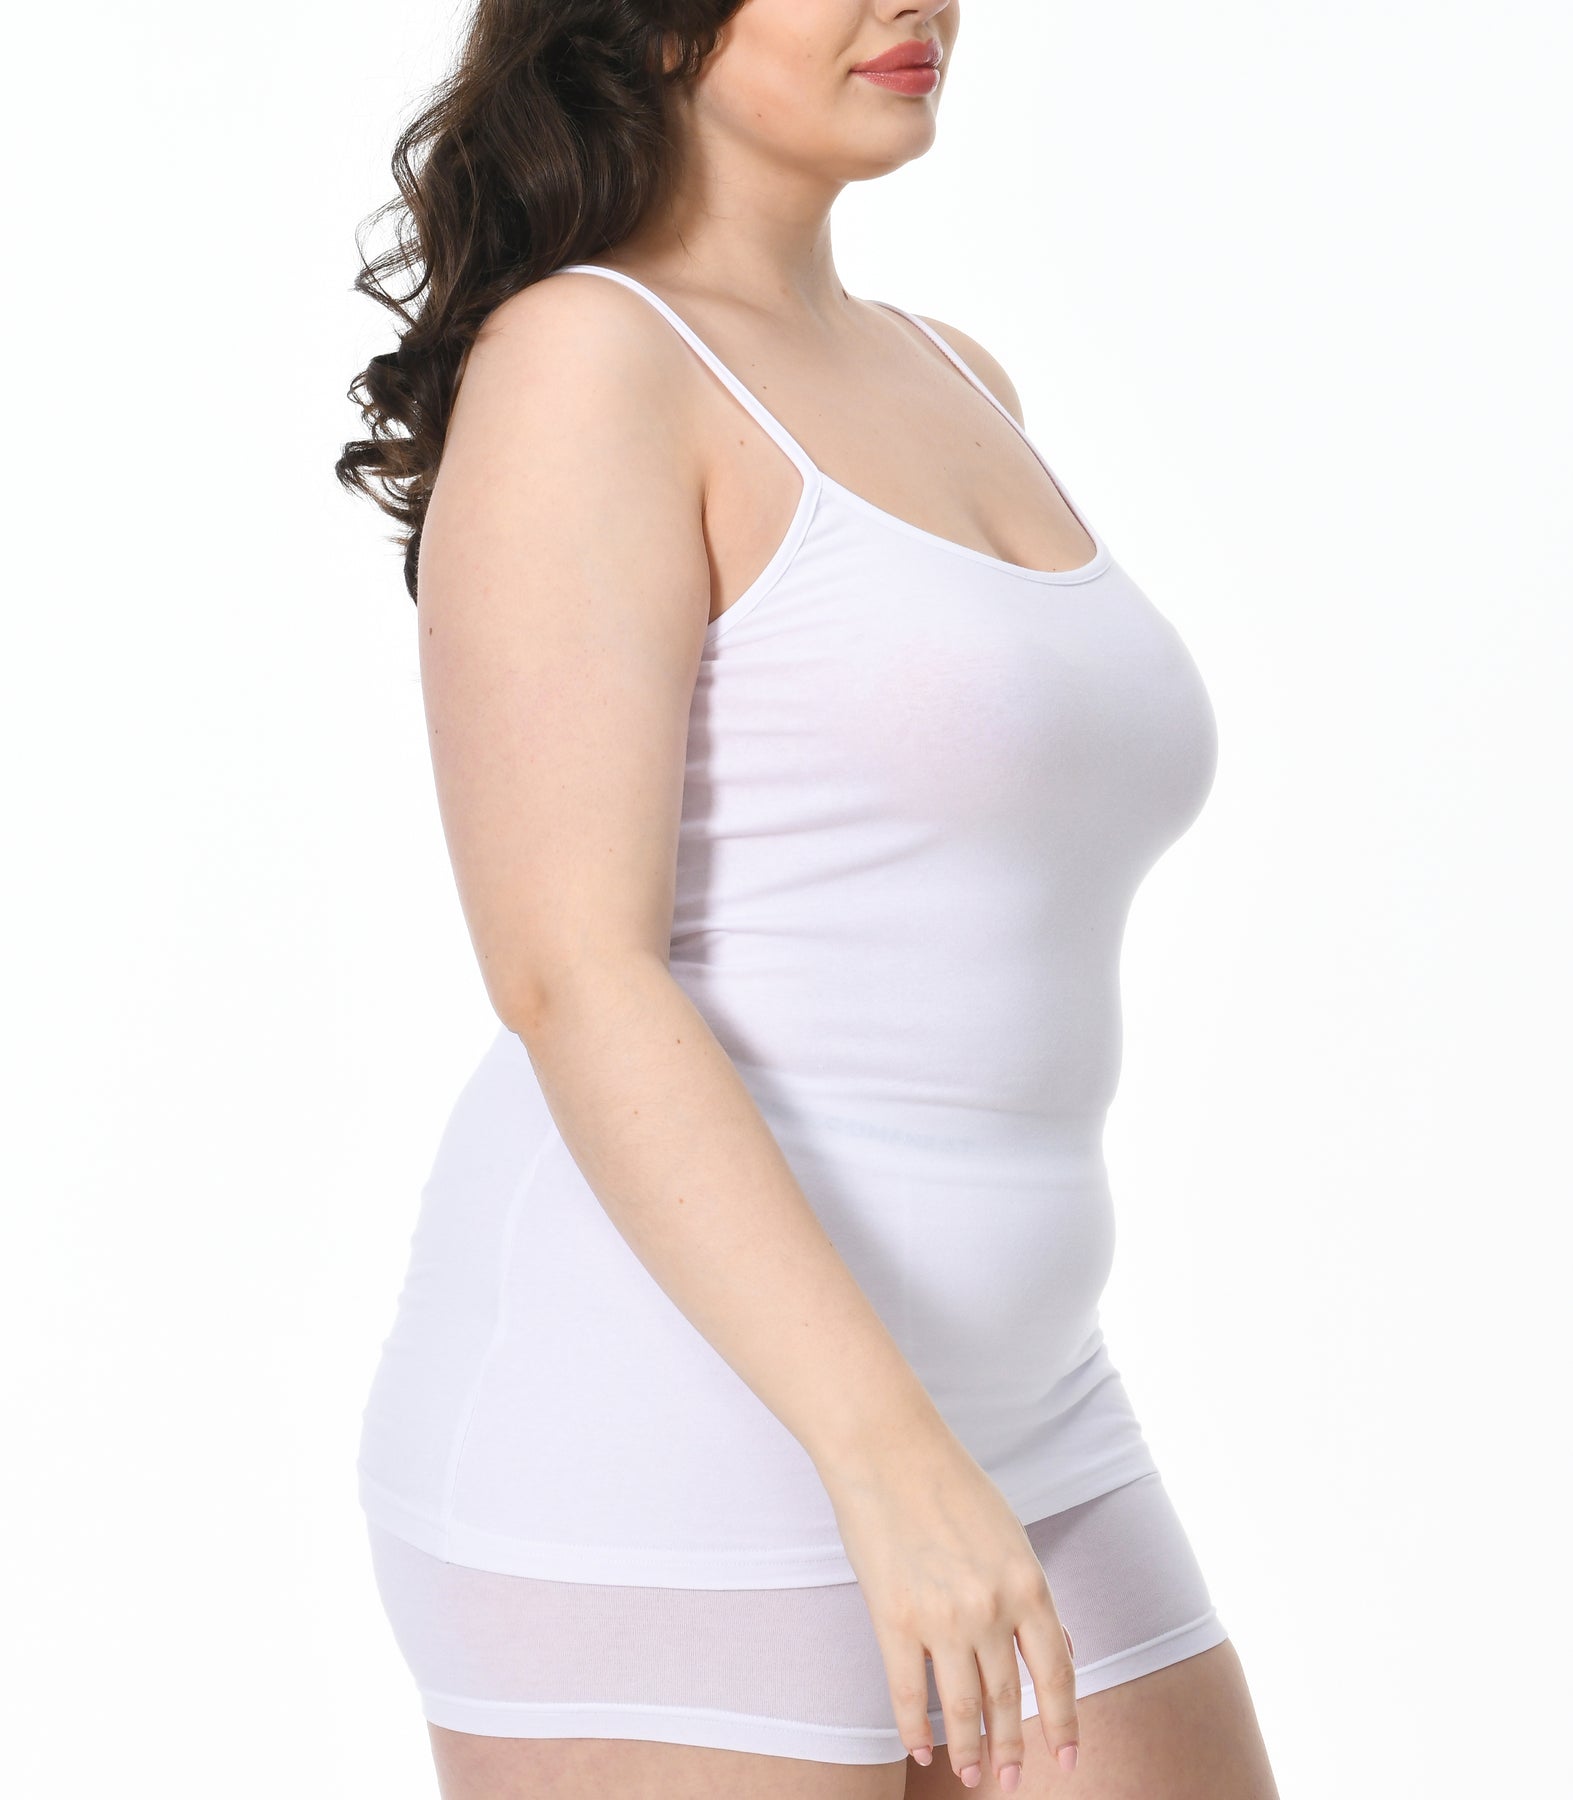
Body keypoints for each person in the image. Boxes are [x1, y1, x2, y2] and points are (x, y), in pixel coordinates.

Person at [336, 3, 1280, 1796]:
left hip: (1028, 1412)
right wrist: (882, 1455)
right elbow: (568, 972)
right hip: (666, 1440)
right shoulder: (586, 359)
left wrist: (932, 1450)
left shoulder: (954, 373)